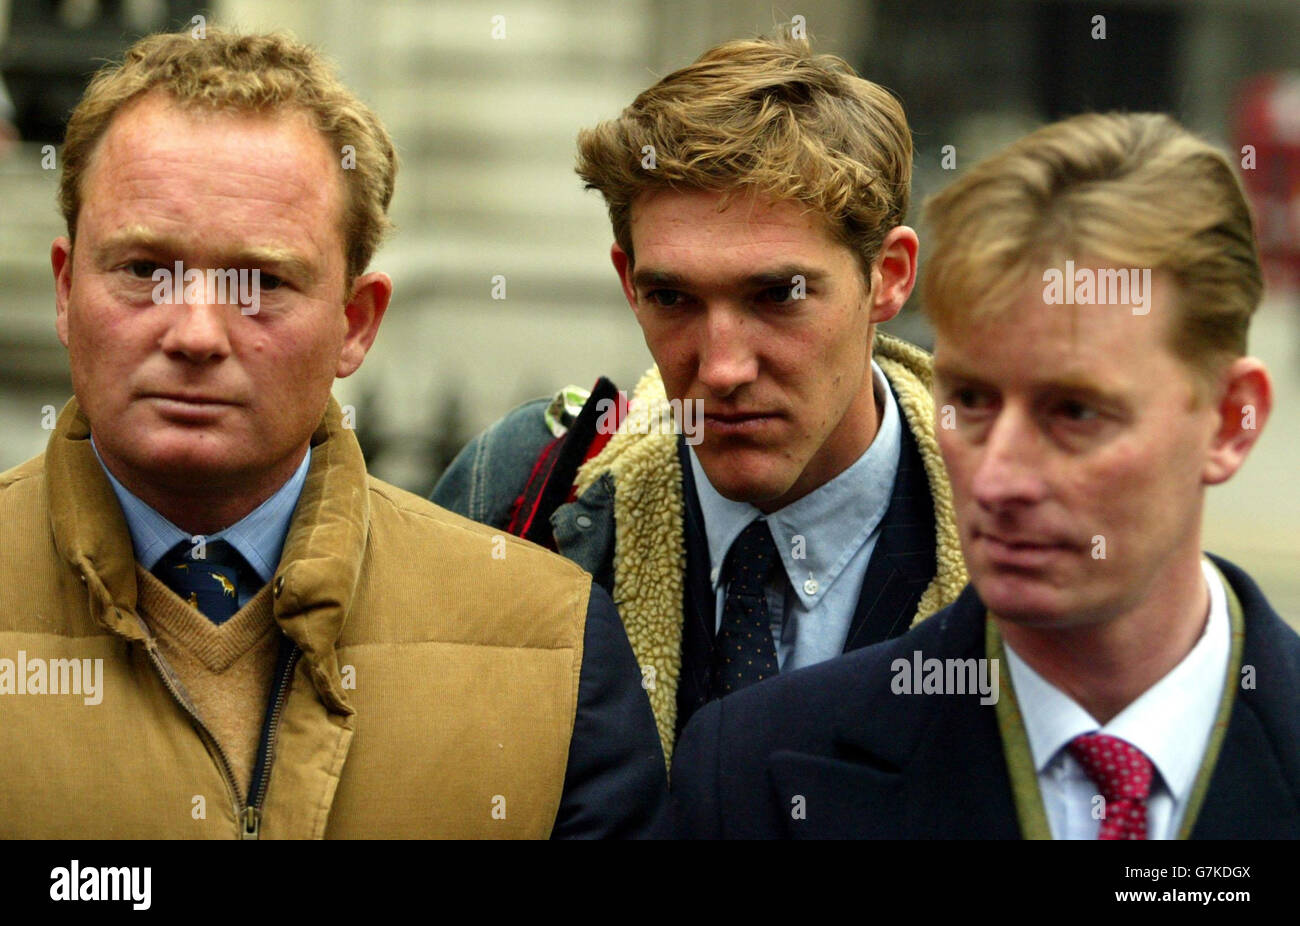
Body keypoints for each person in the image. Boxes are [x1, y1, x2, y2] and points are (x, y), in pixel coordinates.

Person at [0, 28, 665, 839]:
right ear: (66, 292)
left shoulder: (553, 642)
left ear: (357, 323)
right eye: (145, 270)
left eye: (264, 282)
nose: (197, 333)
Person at [670, 112, 1299, 839]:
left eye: (1074, 412)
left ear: (1229, 421)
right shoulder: (756, 770)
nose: (998, 479)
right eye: (970, 400)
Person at [433, 35, 968, 760]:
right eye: (672, 296)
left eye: (779, 294)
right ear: (628, 281)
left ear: (891, 277)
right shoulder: (518, 494)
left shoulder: (1025, 530)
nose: (721, 368)